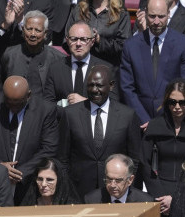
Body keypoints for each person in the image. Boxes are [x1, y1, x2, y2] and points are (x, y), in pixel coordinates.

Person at [60, 64, 144, 197]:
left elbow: (135, 159)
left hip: (117, 192)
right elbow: (63, 158)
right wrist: (67, 188)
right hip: (78, 191)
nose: (94, 90)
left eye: (99, 85)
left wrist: (127, 190)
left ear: (111, 86)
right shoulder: (70, 114)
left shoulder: (127, 115)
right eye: (90, 85)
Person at [120, 0, 185, 123]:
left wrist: (162, 122)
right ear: (145, 13)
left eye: (161, 16)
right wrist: (144, 120)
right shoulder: (131, 46)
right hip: (139, 121)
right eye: (152, 16)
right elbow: (127, 88)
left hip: (172, 120)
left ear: (168, 14)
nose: (156, 22)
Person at [143, 81, 185, 204]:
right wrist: (159, 195)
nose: (177, 107)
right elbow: (144, 162)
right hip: (158, 192)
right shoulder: (155, 126)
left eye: (182, 102)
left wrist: (177, 199)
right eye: (172, 102)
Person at [70, 0, 132, 66]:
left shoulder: (121, 14)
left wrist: (99, 40)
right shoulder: (79, 10)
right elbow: (66, 39)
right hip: (80, 66)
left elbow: (124, 47)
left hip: (108, 67)